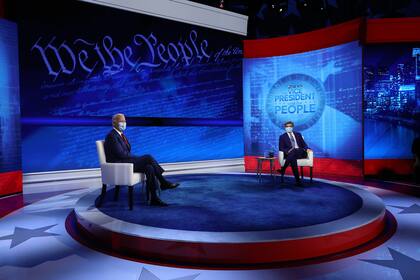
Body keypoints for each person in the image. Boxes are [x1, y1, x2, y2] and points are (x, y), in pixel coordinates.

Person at [104, 113, 179, 206]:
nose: (124, 123)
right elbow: (121, 154)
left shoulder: (121, 135)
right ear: (114, 123)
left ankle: (154, 198)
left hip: (126, 162)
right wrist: (138, 158)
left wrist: (136, 158)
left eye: (124, 121)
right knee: (148, 157)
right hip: (119, 165)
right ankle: (163, 182)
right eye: (121, 121)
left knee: (149, 167)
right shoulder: (112, 136)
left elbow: (126, 153)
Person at [278, 121, 310, 186]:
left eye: (290, 126)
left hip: (300, 152)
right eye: (287, 126)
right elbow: (281, 148)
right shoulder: (282, 137)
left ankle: (283, 169)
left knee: (294, 151)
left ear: (292, 127)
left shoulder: (298, 134)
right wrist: (287, 151)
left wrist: (307, 149)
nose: (288, 128)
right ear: (285, 128)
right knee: (293, 159)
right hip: (290, 153)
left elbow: (304, 144)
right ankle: (298, 181)